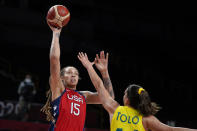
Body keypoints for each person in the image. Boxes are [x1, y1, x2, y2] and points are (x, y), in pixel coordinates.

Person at [78, 52, 197, 131]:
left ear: (127, 99)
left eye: (124, 93)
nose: (123, 95)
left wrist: (90, 67)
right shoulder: (147, 119)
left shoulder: (115, 108)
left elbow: (99, 85)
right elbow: (172, 130)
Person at [41, 24, 114, 131]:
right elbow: (55, 60)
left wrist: (104, 72)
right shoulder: (59, 91)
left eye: (75, 73)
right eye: (69, 72)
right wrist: (56, 34)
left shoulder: (84, 96)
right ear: (61, 78)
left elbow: (110, 98)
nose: (73, 74)